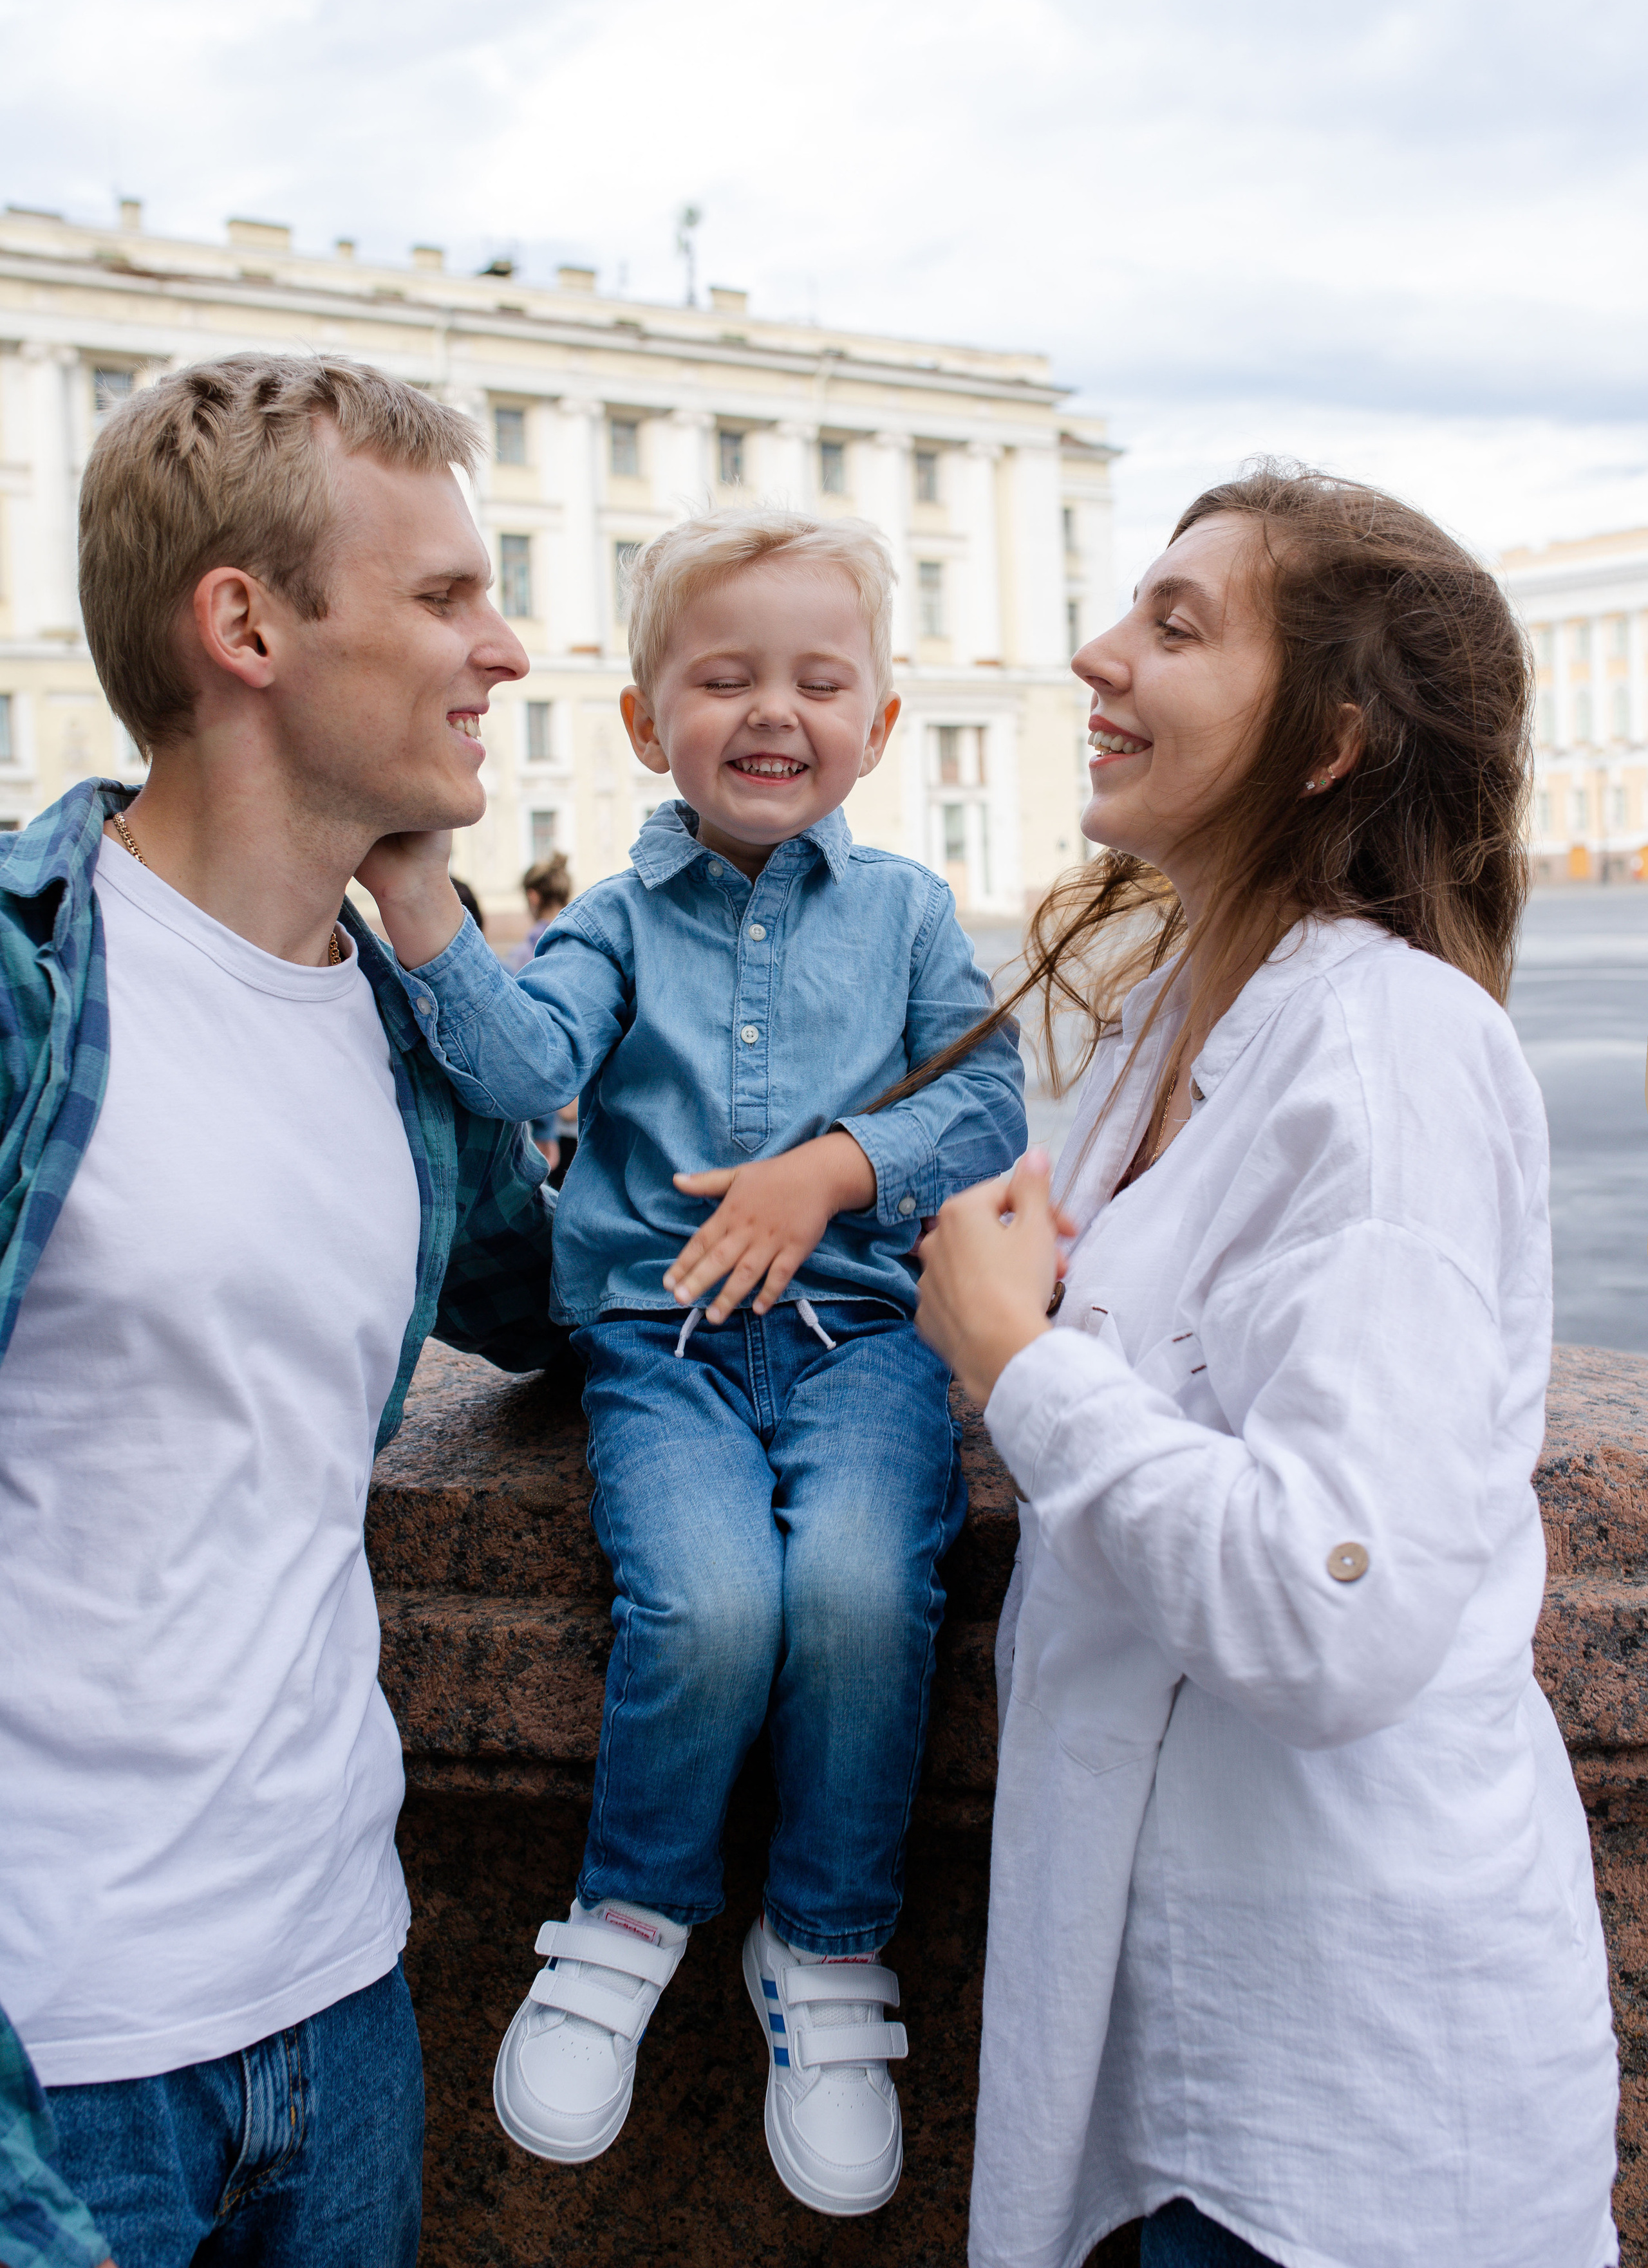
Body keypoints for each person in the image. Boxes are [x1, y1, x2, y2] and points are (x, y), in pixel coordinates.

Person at [913, 465, 1620, 2268]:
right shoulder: (1183, 1012)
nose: (1095, 652)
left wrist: (1017, 1363)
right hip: (1194, 2066)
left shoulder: (1387, 1051)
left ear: (1329, 744)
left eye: (1176, 625)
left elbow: (1336, 1605)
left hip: (1338, 2109)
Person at [358, 507, 1027, 2218]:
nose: (772, 711)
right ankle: (627, 1922)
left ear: (879, 725)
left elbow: (987, 1105)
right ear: (651, 721)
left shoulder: (907, 911)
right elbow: (518, 1065)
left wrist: (839, 1167)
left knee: (872, 1593)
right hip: (659, 1352)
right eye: (723, 677)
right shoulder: (613, 920)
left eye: (819, 679)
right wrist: (420, 890)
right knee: (715, 1602)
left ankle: (825, 1944)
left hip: (862, 1340)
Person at [0, 353, 561, 2268]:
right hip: (57, 2061)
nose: (505, 644)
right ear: (242, 623)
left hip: (339, 1996)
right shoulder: (30, 995)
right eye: (441, 597)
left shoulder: (401, 1032)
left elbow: (575, 1302)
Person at [507, 855, 578, 1176]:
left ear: (533, 896)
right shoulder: (590, 943)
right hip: (591, 1112)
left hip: (549, 1112)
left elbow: (524, 1041)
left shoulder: (524, 956)